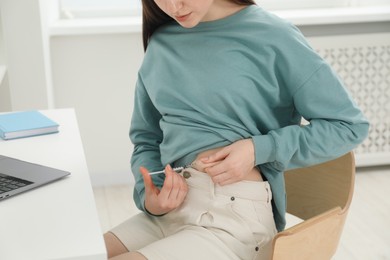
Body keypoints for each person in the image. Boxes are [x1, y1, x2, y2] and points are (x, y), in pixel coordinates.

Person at [104, 0, 369, 259]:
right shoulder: (161, 44)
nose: (174, 7)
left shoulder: (274, 37)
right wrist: (150, 197)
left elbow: (348, 126)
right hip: (169, 212)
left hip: (234, 220)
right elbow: (146, 139)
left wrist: (258, 149)